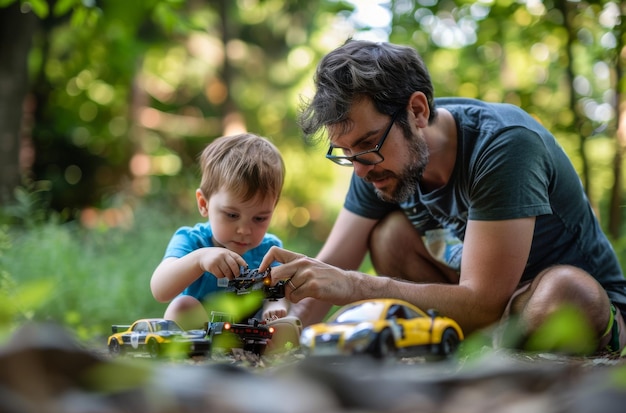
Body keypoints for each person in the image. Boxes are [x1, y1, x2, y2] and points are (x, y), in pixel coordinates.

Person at [259, 39, 626, 353]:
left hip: (542, 299)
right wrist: (286, 321)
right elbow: (329, 267)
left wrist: (356, 285)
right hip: (487, 309)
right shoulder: (373, 161)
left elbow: (482, 301)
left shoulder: (504, 145)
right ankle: (471, 343)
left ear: (417, 111)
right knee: (390, 237)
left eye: (367, 145)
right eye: (346, 152)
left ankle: (470, 342)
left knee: (565, 293)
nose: (359, 168)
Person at [151, 133, 289, 330]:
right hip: (199, 336)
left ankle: (272, 359)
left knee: (286, 323)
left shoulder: (270, 250)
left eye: (259, 218)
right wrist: (199, 259)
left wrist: (276, 305)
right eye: (232, 215)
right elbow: (160, 290)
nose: (244, 230)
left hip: (250, 335)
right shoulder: (192, 241)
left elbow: (277, 293)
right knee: (182, 307)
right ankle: (195, 358)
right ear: (204, 203)